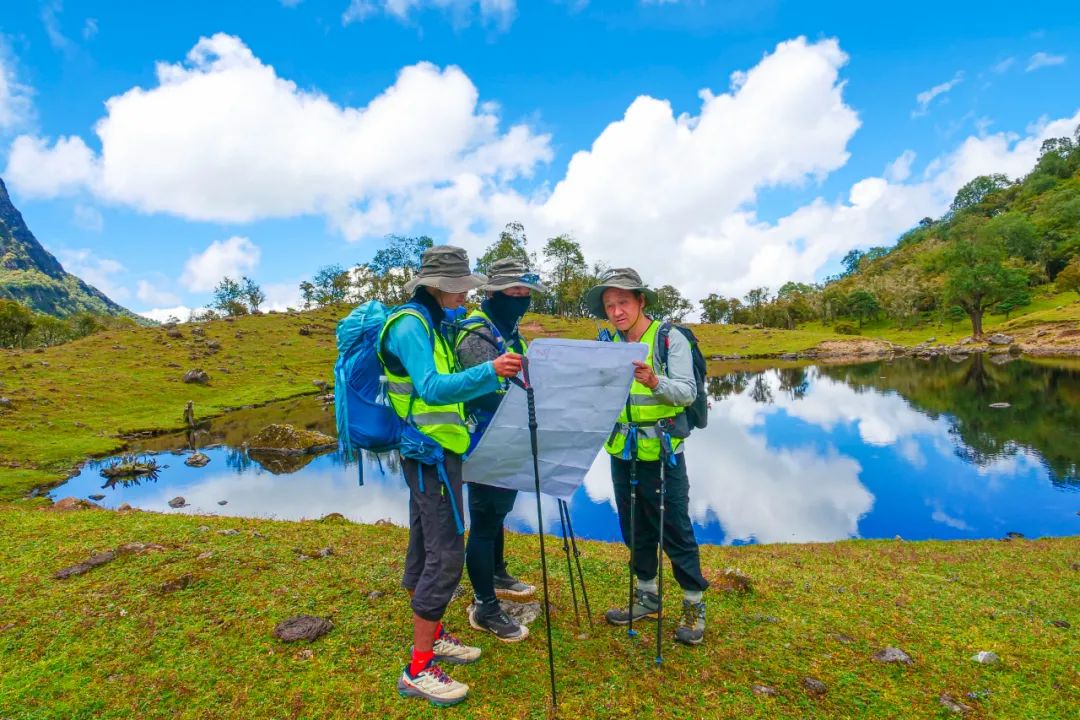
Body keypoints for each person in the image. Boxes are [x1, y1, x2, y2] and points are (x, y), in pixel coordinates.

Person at [379, 245, 524, 707]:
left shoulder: (432, 323)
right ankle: (418, 669)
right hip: (428, 456)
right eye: (462, 288)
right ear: (440, 287)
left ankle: (434, 635)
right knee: (446, 555)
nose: (466, 297)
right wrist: (491, 370)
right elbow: (432, 388)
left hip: (439, 451)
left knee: (423, 547)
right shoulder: (410, 326)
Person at [585, 267, 710, 646]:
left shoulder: (669, 340)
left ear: (641, 301)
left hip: (664, 452)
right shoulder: (608, 343)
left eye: (623, 302)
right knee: (634, 526)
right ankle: (647, 597)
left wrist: (654, 381)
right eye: (609, 305)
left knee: (674, 527)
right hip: (623, 451)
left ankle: (693, 607)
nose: (617, 311)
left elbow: (687, 392)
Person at [453, 257, 547, 642]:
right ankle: (485, 606)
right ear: (492, 294)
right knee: (485, 517)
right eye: (513, 293)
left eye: (525, 293)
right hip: (483, 442)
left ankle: (497, 570)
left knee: (499, 511)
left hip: (508, 438)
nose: (521, 299)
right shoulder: (477, 334)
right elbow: (483, 393)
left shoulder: (509, 333)